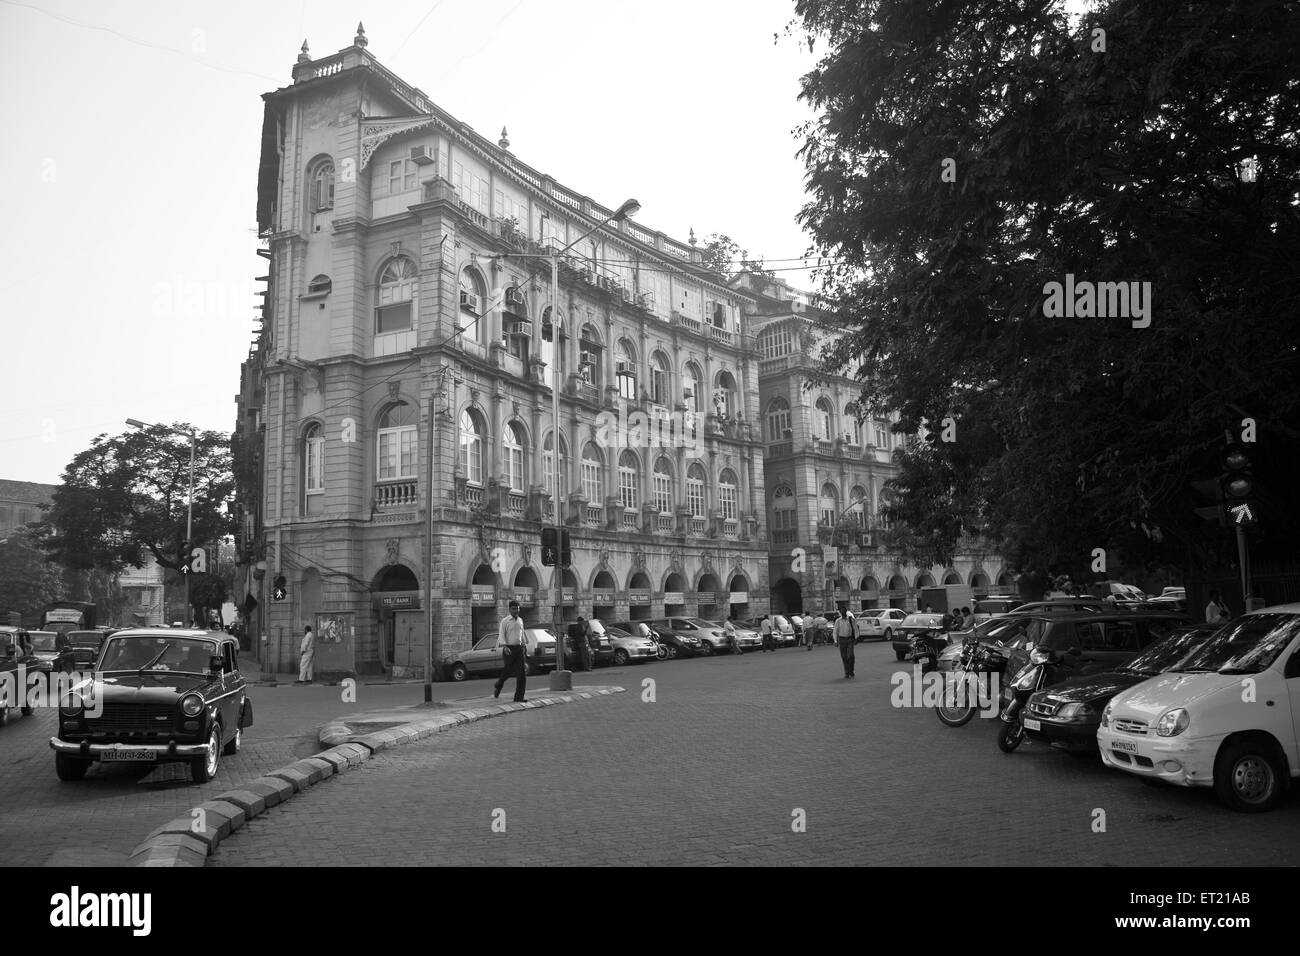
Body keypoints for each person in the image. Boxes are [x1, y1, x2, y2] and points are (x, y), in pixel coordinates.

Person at [494, 601, 527, 702]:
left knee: (522, 674)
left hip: (519, 649)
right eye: (513, 609)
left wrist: (524, 644)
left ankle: (519, 697)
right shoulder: (505, 621)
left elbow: (522, 634)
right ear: (509, 609)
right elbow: (501, 635)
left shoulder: (520, 620)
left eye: (517, 608)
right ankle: (499, 684)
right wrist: (504, 646)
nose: (516, 611)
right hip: (509, 649)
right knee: (508, 671)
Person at [834, 603, 857, 678]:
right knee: (844, 657)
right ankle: (847, 672)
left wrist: (856, 638)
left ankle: (851, 670)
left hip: (850, 639)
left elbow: (855, 629)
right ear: (840, 612)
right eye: (841, 611)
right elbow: (835, 631)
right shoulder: (838, 621)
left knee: (850, 656)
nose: (842, 612)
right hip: (842, 640)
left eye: (844, 611)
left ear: (846, 611)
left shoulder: (851, 619)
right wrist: (835, 641)